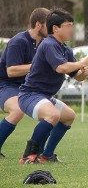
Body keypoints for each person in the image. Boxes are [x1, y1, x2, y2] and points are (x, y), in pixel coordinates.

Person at [18, 8, 88, 164]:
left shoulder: (65, 49)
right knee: (53, 115)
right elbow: (61, 68)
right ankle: (28, 156)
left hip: (44, 97)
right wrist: (81, 62)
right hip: (29, 95)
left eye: (72, 25)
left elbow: (76, 76)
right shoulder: (49, 44)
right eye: (68, 25)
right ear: (55, 28)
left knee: (69, 116)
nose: (71, 29)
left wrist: (83, 72)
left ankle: (46, 155)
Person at [0, 8, 50, 158]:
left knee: (53, 113)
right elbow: (11, 71)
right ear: (38, 25)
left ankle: (39, 154)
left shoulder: (44, 43)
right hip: (6, 85)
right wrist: (36, 66)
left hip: (27, 87)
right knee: (17, 110)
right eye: (49, 24)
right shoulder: (18, 41)